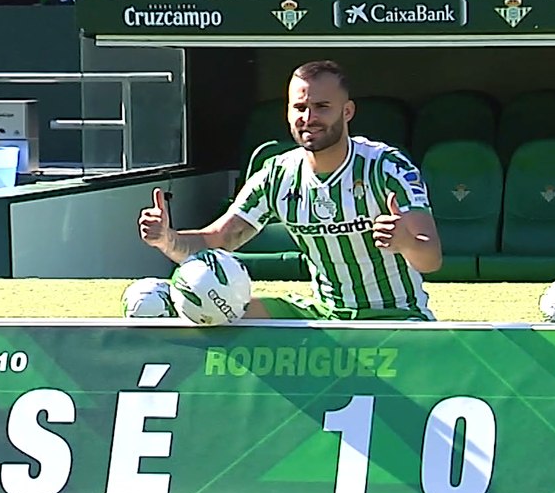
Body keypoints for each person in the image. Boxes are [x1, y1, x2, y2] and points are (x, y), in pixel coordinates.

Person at [138, 60, 443, 322]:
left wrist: (405, 241)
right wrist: (167, 239)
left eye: (322, 107)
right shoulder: (277, 173)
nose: (309, 118)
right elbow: (219, 240)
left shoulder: (386, 166)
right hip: (325, 314)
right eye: (300, 107)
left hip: (397, 315)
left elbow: (431, 259)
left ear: (347, 111)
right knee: (210, 310)